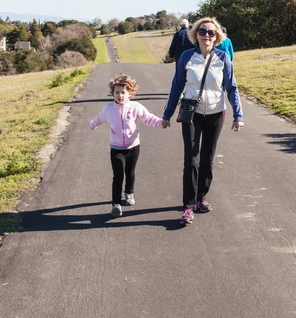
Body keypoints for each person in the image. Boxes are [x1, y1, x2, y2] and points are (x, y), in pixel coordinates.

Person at [162, 17, 244, 225]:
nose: (207, 35)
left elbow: (231, 88)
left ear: (217, 37)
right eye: (202, 31)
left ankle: (201, 198)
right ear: (195, 34)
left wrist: (238, 115)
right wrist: (167, 114)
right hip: (192, 112)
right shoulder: (187, 58)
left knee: (208, 157)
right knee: (192, 158)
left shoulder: (223, 58)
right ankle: (188, 206)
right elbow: (176, 86)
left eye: (211, 32)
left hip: (216, 112)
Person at [89, 75, 166, 217]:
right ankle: (116, 204)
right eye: (117, 92)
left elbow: (148, 118)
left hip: (133, 147)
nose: (120, 96)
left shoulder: (135, 107)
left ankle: (129, 193)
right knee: (118, 175)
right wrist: (92, 124)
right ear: (113, 93)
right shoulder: (109, 109)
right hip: (116, 148)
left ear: (130, 93)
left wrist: (161, 122)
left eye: (123, 92)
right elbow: (99, 118)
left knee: (130, 172)